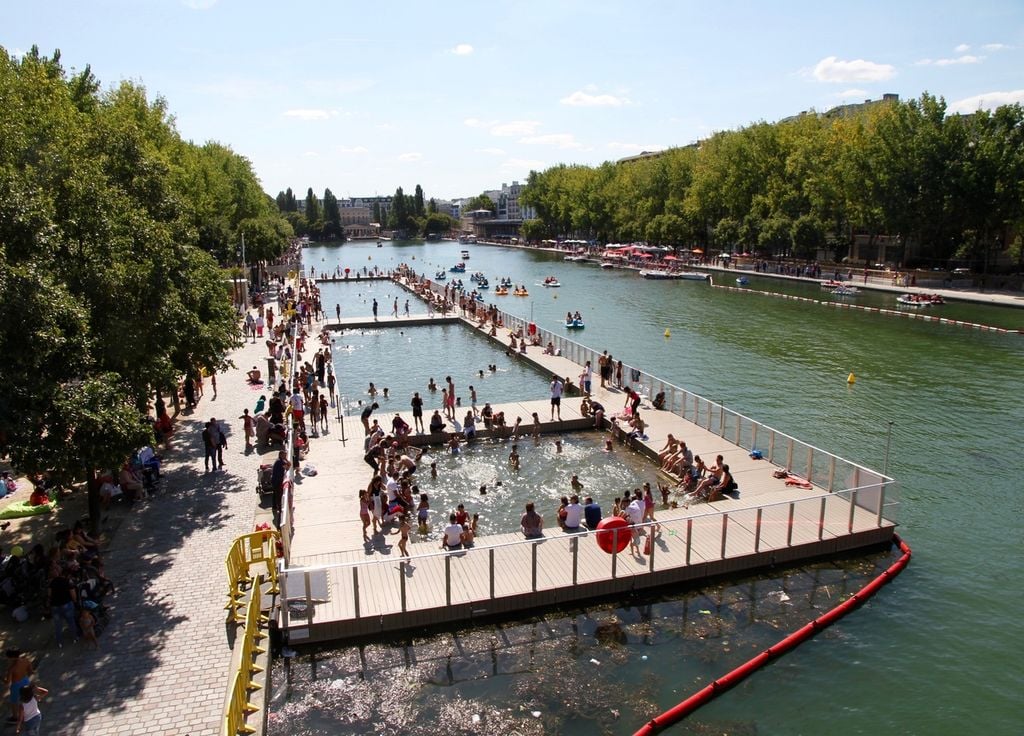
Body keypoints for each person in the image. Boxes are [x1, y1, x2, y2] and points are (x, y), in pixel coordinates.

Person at [5, 650, 33, 722]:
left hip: (16, 685)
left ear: (12, 658)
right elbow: (30, 671)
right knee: (26, 697)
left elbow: (7, 683)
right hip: (25, 680)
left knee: (14, 701)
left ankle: (15, 717)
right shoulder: (26, 660)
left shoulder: (11, 669)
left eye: (8, 658)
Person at [271, 451, 290, 515]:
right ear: (281, 455)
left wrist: (285, 459)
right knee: (278, 495)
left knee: (275, 494)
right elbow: (288, 466)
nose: (285, 456)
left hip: (274, 480)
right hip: (277, 481)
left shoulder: (279, 460)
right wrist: (286, 460)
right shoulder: (280, 462)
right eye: (284, 455)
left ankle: (274, 507)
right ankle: (279, 509)